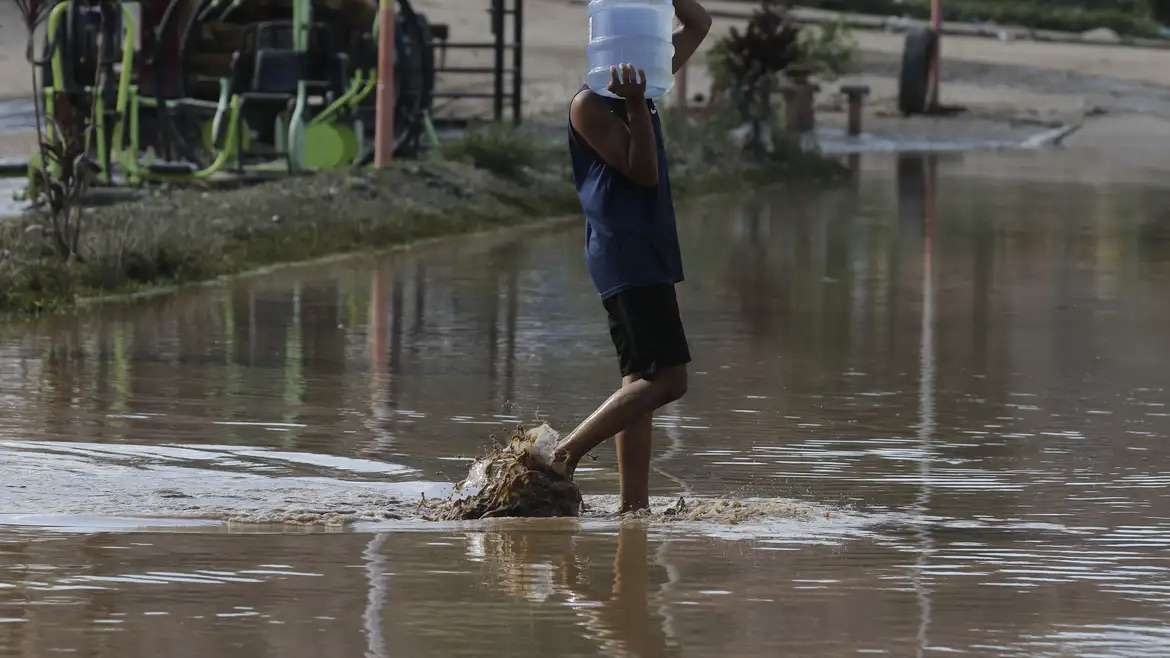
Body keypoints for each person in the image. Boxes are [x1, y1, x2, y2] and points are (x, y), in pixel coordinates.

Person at [552, 0, 712, 513]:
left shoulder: (649, 81)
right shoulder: (590, 105)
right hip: (626, 253)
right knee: (667, 380)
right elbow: (641, 172)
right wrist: (639, 104)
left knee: (637, 382)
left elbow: (699, 24)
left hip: (647, 248)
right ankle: (565, 454)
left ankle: (633, 507)